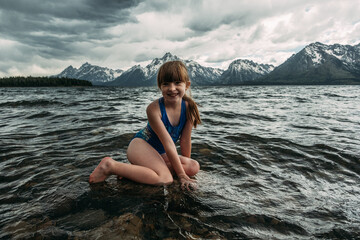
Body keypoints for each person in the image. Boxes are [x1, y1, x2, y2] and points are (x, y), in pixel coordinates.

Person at [89, 61, 201, 190]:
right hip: (141, 146)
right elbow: (168, 143)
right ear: (160, 86)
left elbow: (185, 140)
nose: (171, 88)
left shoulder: (189, 108)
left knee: (193, 166)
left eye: (177, 83)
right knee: (165, 179)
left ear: (186, 85)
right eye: (166, 84)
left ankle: (134, 172)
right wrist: (181, 174)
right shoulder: (154, 109)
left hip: (160, 153)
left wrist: (185, 171)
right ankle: (110, 166)